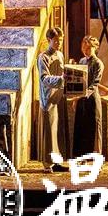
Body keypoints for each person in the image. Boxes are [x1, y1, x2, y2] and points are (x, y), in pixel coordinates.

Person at [38, 27, 67, 172]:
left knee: (57, 131)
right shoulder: (43, 57)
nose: (58, 43)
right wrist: (61, 79)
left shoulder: (60, 55)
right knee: (49, 132)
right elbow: (44, 78)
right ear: (49, 40)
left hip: (59, 96)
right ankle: (47, 163)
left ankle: (56, 161)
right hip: (48, 97)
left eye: (60, 40)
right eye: (56, 41)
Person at [72, 35, 103, 157]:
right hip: (81, 100)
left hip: (92, 99)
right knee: (81, 127)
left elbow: (95, 84)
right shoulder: (82, 61)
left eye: (89, 48)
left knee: (93, 128)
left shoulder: (98, 63)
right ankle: (81, 156)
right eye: (84, 47)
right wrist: (76, 99)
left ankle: (95, 157)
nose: (86, 50)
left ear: (95, 48)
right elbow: (79, 82)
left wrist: (81, 95)